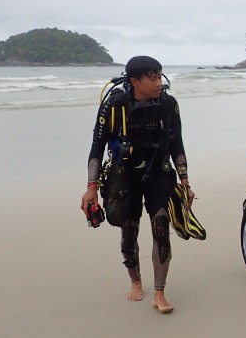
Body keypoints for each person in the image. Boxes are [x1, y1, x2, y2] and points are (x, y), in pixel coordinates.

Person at [80, 55, 194, 313]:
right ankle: (135, 281)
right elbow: (96, 148)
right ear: (134, 81)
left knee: (161, 229)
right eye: (151, 77)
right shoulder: (114, 106)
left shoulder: (168, 104)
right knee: (128, 232)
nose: (158, 82)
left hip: (159, 174)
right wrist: (91, 187)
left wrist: (186, 182)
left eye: (159, 75)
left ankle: (159, 292)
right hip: (125, 177)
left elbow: (178, 145)